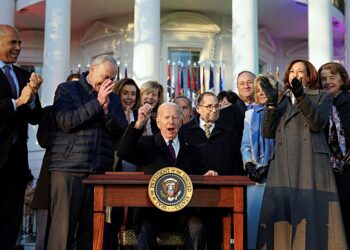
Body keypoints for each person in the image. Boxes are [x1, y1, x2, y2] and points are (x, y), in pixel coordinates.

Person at [257, 59, 347, 249]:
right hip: (282, 165)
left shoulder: (322, 95)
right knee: (283, 223)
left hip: (310, 164)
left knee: (315, 221)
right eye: (292, 72)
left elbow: (317, 123)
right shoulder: (280, 98)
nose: (295, 75)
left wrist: (301, 97)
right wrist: (271, 104)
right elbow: (267, 132)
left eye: (300, 71)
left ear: (308, 76)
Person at [47, 55, 128, 250]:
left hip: (98, 173)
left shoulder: (114, 99)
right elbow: (66, 122)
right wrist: (97, 104)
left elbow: (121, 130)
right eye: (104, 76)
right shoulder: (67, 89)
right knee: (62, 234)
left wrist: (107, 112)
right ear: (92, 70)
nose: (108, 82)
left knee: (92, 235)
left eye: (112, 78)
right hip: (68, 170)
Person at [118, 102, 213, 250]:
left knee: (198, 227)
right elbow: (123, 152)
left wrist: (209, 174)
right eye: (167, 117)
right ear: (158, 122)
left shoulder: (192, 148)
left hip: (183, 213)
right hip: (151, 211)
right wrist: (139, 124)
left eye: (175, 117)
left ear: (181, 121)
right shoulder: (147, 144)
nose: (171, 121)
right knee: (144, 230)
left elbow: (202, 172)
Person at [0, 24, 43, 250]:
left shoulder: (24, 75)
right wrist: (17, 102)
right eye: (12, 43)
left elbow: (35, 117)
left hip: (16, 164)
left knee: (11, 222)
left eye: (20, 44)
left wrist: (33, 96)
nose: (18, 48)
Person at [241, 75, 277, 250]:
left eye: (265, 89)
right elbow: (245, 145)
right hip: (256, 176)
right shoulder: (250, 114)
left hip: (277, 174)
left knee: (277, 226)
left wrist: (272, 165)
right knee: (254, 227)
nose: (261, 93)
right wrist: (248, 164)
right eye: (258, 90)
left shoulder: (283, 111)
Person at [318, 62, 350, 245]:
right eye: (323, 79)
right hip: (328, 170)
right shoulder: (321, 103)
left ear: (342, 78)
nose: (328, 82)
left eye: (332, 77)